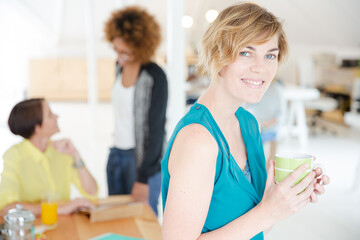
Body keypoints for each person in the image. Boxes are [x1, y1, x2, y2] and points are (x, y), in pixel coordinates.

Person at [161, 2, 330, 239]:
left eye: (270, 55)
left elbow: (254, 228)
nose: (261, 68)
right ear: (217, 55)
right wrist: (268, 212)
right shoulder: (198, 140)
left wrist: (285, 200)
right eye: (246, 52)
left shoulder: (249, 124)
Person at [104, 6, 167, 215]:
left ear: (141, 46)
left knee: (143, 219)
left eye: (125, 52)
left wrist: (143, 178)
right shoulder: (119, 67)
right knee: (117, 217)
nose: (119, 57)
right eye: (116, 50)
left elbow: (157, 129)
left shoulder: (155, 75)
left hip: (142, 162)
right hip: (116, 155)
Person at [0, 98, 98, 217]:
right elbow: (8, 209)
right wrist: (58, 208)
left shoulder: (61, 152)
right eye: (50, 115)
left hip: (62, 225)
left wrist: (75, 155)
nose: (57, 116)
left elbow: (92, 193)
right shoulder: (14, 155)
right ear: (37, 127)